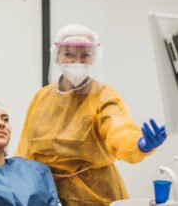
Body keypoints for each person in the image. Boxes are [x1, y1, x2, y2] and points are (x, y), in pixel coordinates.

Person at [16, 24, 167, 205]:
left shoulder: (103, 96)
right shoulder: (42, 97)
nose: (77, 61)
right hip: (47, 195)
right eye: (69, 54)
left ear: (93, 57)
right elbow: (25, 149)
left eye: (85, 55)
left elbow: (118, 128)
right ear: (57, 56)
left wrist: (138, 144)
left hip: (96, 196)